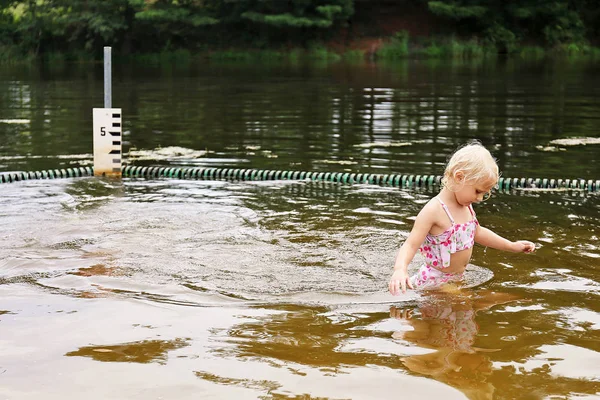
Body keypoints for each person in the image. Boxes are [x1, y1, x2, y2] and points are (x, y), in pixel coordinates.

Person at [388, 141, 535, 295]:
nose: (480, 198)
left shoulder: (466, 207)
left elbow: (477, 232)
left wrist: (511, 246)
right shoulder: (433, 210)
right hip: (434, 282)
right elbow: (411, 244)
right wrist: (400, 269)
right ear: (459, 177)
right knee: (466, 302)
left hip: (456, 279)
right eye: (478, 191)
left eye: (484, 194)